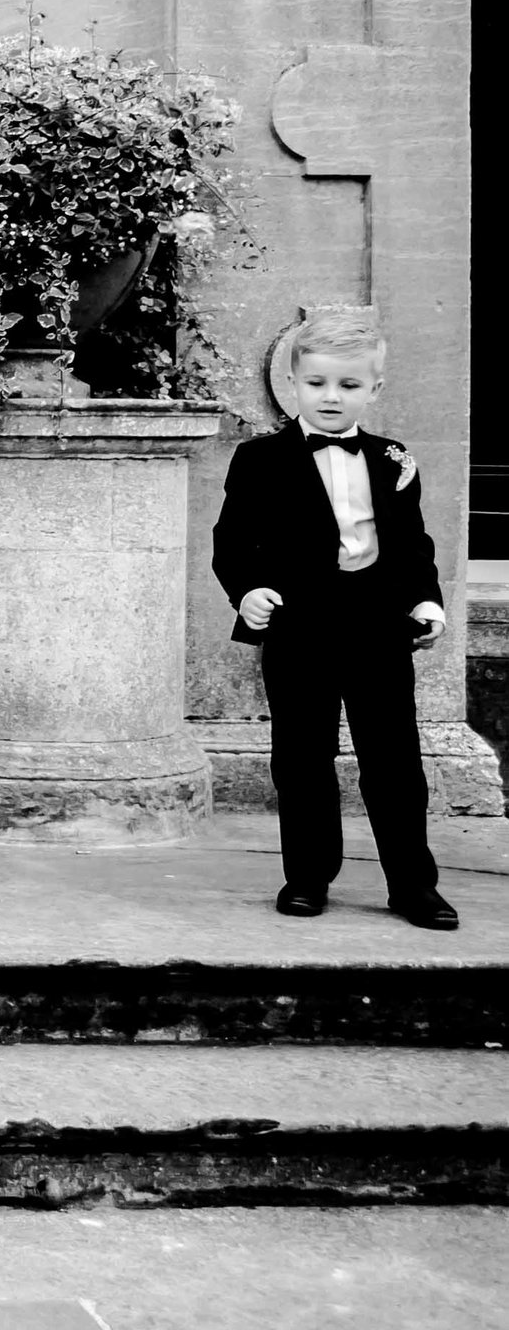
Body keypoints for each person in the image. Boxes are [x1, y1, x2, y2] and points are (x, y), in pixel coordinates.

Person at [212, 301, 455, 928]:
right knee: (301, 757)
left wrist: (425, 599)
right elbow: (233, 542)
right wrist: (248, 591)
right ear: (292, 383)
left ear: (375, 388)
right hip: (300, 627)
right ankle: (308, 876)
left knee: (394, 759)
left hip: (376, 625)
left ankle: (412, 885)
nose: (330, 397)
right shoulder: (259, 460)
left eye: (348, 385)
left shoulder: (394, 459)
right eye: (316, 383)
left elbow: (411, 545)